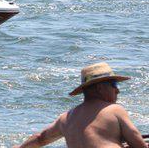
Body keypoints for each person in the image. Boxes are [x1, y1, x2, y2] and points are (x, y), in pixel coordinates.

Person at [14, 62, 147, 148]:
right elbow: (139, 145)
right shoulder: (114, 110)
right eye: (114, 84)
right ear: (100, 88)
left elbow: (39, 139)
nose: (117, 90)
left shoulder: (65, 118)